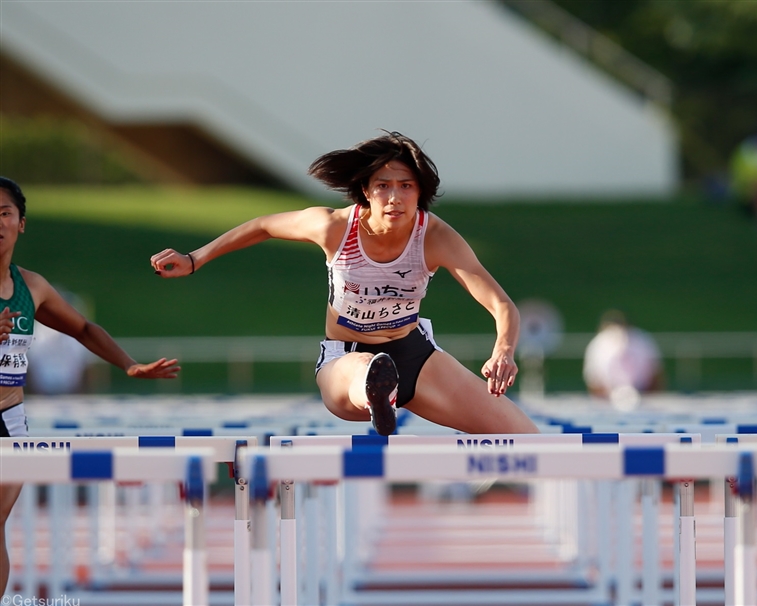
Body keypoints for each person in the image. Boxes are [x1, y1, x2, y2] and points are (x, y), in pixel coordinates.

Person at [151, 131, 539, 437]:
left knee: (530, 438)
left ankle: (382, 389)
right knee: (365, 370)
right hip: (346, 354)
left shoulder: (435, 236)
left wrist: (503, 351)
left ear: (420, 192)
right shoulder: (335, 227)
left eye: (406, 186)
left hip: (416, 354)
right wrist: (194, 259)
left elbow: (501, 304)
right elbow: (264, 225)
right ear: (366, 191)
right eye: (383, 186)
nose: (395, 197)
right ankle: (376, 393)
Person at [0, 176, 181, 595]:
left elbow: (82, 328)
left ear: (20, 223)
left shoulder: (32, 287)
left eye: (5, 213)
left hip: (10, 418)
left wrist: (129, 365)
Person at [582, 310, 665, 411]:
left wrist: (645, 397)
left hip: (643, 398)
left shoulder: (643, 340)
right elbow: (594, 382)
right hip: (607, 402)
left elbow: (656, 375)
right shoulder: (597, 345)